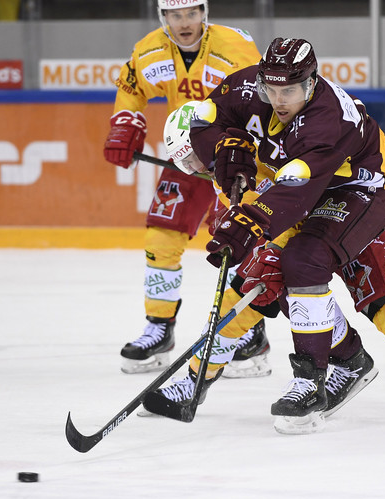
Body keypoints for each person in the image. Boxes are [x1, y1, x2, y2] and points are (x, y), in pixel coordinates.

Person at [145, 38, 385, 433]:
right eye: (270, 89)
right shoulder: (249, 93)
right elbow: (208, 118)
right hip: (304, 201)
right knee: (257, 282)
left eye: (288, 90)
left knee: (383, 307)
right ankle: (201, 379)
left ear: (311, 82)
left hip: (360, 192)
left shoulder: (327, 119)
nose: (278, 99)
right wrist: (227, 145)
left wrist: (252, 220)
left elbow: (295, 190)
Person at [103, 0, 270, 378]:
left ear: (204, 12)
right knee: (161, 236)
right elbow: (131, 86)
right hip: (186, 161)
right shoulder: (149, 50)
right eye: (175, 15)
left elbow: (267, 99)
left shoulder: (236, 47)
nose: (184, 23)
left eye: (191, 13)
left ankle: (250, 334)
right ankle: (159, 326)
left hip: (235, 159)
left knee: (237, 241)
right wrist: (126, 122)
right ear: (163, 17)